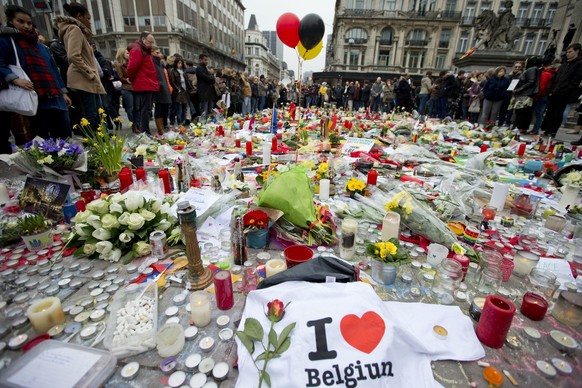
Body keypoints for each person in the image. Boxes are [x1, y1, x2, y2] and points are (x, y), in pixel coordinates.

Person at [0, 5, 72, 141]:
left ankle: (66, 160)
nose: (26, 26)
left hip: (54, 95)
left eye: (29, 23)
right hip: (33, 95)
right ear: (11, 21)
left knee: (64, 133)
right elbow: (1, 63)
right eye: (20, 22)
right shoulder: (8, 41)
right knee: (40, 136)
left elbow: (52, 69)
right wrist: (15, 79)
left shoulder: (40, 45)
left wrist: (63, 92)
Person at [55, 1, 104, 130]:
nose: (90, 22)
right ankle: (93, 144)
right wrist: (89, 72)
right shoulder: (74, 29)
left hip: (87, 78)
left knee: (98, 113)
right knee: (91, 114)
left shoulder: (74, 30)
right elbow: (72, 55)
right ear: (79, 16)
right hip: (84, 78)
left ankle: (98, 142)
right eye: (88, 18)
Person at [541, 43, 582, 137]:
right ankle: (547, 129)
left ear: (577, 51)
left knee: (558, 113)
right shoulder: (564, 64)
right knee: (550, 111)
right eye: (567, 52)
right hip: (555, 91)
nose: (568, 54)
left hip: (564, 93)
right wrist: (551, 89)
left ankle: (552, 131)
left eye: (570, 52)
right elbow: (556, 78)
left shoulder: (579, 64)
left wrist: (566, 90)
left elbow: (575, 80)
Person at [126, 31, 159, 134]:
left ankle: (145, 131)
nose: (151, 45)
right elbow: (132, 67)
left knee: (147, 109)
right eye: (150, 42)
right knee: (145, 110)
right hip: (144, 83)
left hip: (147, 82)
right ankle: (145, 132)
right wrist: (131, 79)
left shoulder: (143, 49)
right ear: (143, 39)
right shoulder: (137, 50)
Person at [510, 57, 539, 133]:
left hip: (524, 95)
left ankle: (519, 128)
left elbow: (531, 82)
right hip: (523, 94)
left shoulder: (531, 69)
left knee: (522, 112)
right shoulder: (532, 69)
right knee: (521, 112)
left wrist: (519, 89)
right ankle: (520, 127)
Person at [151, 46, 172, 133]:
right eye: (157, 53)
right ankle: (160, 128)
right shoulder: (152, 62)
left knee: (165, 108)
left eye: (160, 52)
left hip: (164, 88)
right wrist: (159, 84)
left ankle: (165, 125)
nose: (159, 55)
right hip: (159, 89)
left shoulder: (160, 64)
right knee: (159, 108)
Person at [115, 47, 135, 126]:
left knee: (136, 108)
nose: (129, 54)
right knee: (130, 108)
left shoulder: (131, 62)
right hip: (126, 88)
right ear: (122, 54)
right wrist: (127, 80)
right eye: (127, 53)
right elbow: (120, 77)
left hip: (134, 87)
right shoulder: (119, 65)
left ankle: (137, 123)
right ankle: (134, 124)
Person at [169, 58, 191, 126]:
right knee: (179, 109)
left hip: (185, 91)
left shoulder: (183, 71)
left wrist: (189, 87)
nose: (180, 65)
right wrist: (177, 89)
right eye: (178, 63)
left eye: (181, 63)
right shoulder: (173, 71)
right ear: (176, 63)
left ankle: (183, 122)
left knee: (184, 108)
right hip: (178, 92)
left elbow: (187, 80)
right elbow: (172, 81)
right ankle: (179, 123)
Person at [196, 54, 216, 119]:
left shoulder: (205, 68)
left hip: (209, 92)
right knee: (204, 110)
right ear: (200, 60)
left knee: (209, 110)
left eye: (207, 60)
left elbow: (212, 80)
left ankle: (208, 123)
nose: (207, 61)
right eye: (205, 60)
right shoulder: (199, 68)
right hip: (203, 92)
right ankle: (203, 123)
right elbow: (207, 78)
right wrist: (211, 75)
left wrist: (211, 76)